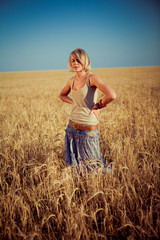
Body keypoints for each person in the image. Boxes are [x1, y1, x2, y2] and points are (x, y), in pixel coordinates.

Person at [59, 48, 116, 171]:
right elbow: (62, 95)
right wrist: (73, 102)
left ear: (85, 61)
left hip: (87, 129)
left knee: (95, 167)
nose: (75, 63)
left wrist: (98, 105)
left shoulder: (92, 78)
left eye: (78, 60)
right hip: (71, 127)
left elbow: (111, 95)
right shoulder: (71, 80)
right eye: (73, 60)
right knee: (74, 167)